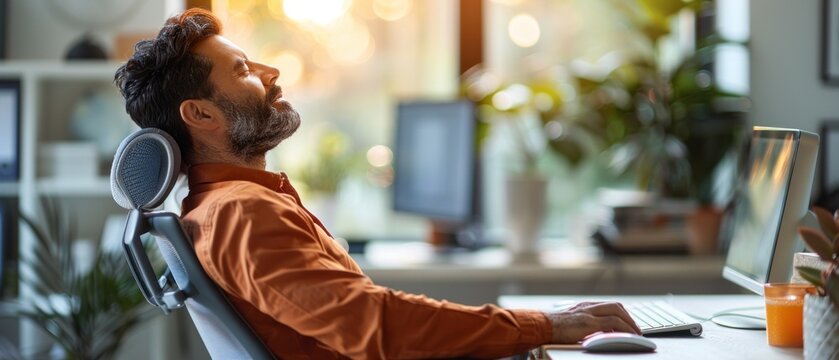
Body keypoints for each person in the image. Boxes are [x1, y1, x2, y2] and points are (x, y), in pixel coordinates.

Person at [115, 8, 640, 359]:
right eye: (243, 69)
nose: (271, 71)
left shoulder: (226, 206)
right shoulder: (241, 213)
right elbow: (371, 325)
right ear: (201, 114)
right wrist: (541, 326)